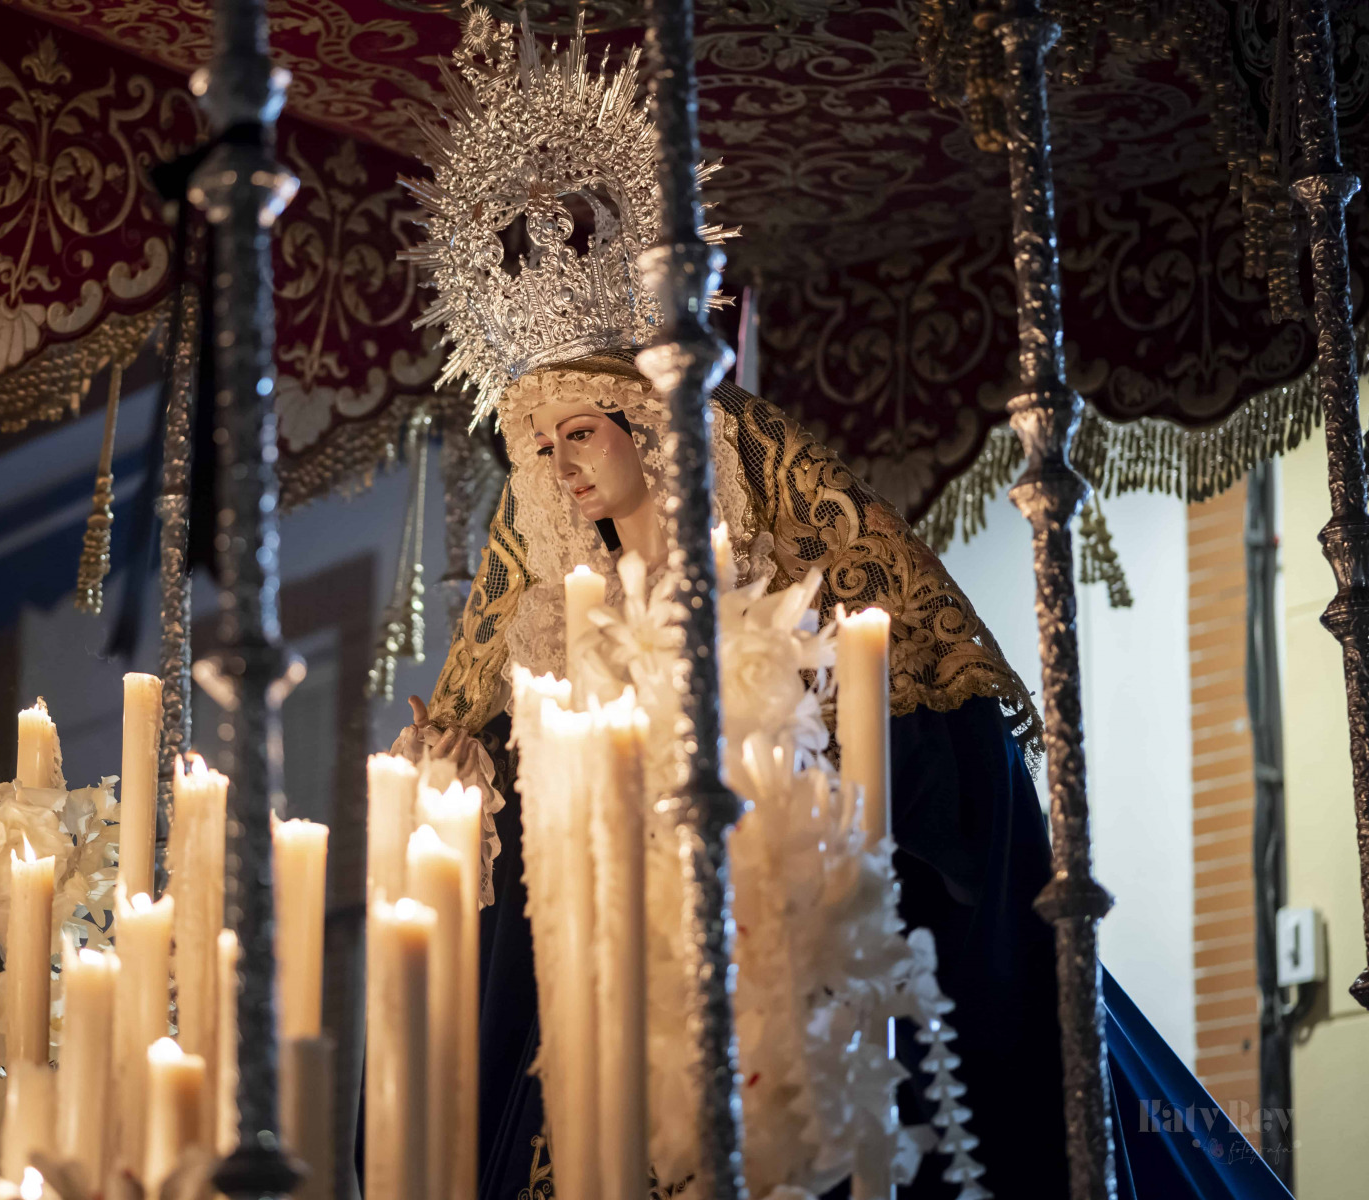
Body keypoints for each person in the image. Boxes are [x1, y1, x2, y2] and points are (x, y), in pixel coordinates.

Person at [394, 11, 1289, 1198]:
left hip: (783, 964)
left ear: (649, 430)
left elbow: (931, 760)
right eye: (543, 444)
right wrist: (464, 775)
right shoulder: (551, 616)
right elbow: (506, 837)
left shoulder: (788, 571)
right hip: (605, 992)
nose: (561, 469)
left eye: (583, 433)